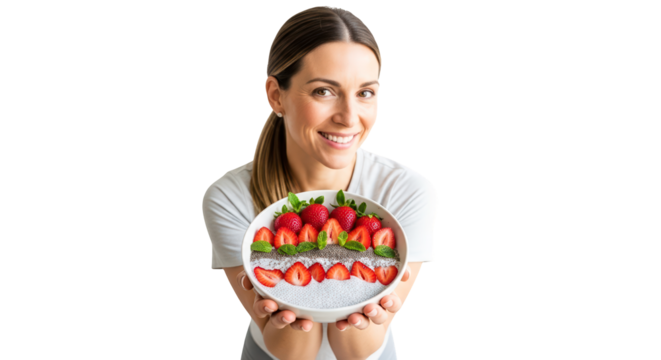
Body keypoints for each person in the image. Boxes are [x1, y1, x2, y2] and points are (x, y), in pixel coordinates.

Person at [202, 4, 437, 359]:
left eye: (365, 92)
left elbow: (356, 352)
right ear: (275, 95)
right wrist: (285, 317)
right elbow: (291, 353)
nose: (348, 117)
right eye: (324, 91)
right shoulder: (229, 196)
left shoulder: (409, 191)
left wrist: (374, 315)